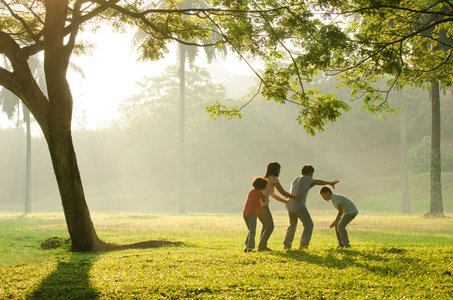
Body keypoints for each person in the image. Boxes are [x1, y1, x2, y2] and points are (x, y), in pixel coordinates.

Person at [283, 164, 339, 250]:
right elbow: (316, 182)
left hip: (290, 206)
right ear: (310, 173)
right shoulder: (306, 178)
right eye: (312, 174)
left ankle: (287, 245)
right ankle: (303, 245)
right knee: (309, 224)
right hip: (299, 206)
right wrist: (329, 183)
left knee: (292, 225)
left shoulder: (295, 179)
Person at [258, 162, 301, 252]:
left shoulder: (266, 179)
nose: (280, 171)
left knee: (266, 225)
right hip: (263, 205)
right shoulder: (274, 179)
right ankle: (261, 247)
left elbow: (272, 194)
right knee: (270, 226)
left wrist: (284, 201)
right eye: (279, 169)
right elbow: (282, 192)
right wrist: (295, 197)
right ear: (275, 170)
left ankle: (262, 246)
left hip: (258, 204)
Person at [243, 177, 268, 252]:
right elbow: (264, 201)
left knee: (250, 230)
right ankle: (250, 248)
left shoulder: (251, 191)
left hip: (245, 213)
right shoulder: (259, 193)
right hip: (252, 213)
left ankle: (246, 246)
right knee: (252, 231)